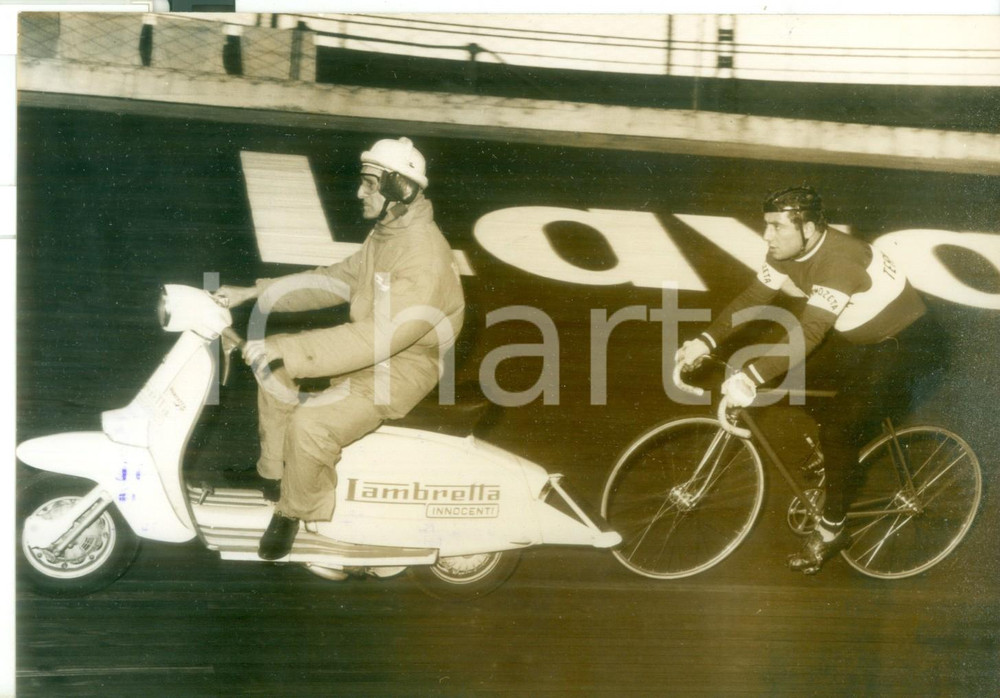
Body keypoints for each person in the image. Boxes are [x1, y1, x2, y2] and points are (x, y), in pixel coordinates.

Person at [214, 137, 465, 560]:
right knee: (272, 368)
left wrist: (288, 350)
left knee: (310, 423)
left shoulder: (423, 256)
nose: (359, 193)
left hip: (400, 369)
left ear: (398, 190)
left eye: (369, 185)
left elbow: (378, 338)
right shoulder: (388, 234)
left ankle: (295, 510)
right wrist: (253, 293)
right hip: (372, 348)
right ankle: (274, 474)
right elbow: (335, 279)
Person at [675, 186, 945, 574]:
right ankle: (837, 457)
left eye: (776, 227)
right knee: (790, 380)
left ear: (811, 228)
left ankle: (833, 529)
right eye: (765, 225)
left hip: (905, 343)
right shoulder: (787, 249)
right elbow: (755, 295)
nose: (767, 236)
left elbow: (810, 332)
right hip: (856, 334)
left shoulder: (839, 261)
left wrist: (751, 376)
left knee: (838, 429)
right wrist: (706, 339)